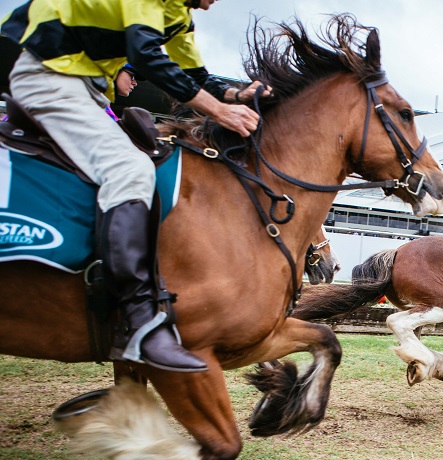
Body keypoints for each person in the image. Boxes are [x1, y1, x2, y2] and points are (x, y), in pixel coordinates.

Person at [0, 0, 272, 372]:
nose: (215, 4)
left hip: (85, 87)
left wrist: (236, 95)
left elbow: (195, 75)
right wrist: (219, 111)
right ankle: (141, 318)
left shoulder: (179, 15)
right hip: (49, 75)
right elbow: (145, 57)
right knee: (130, 169)